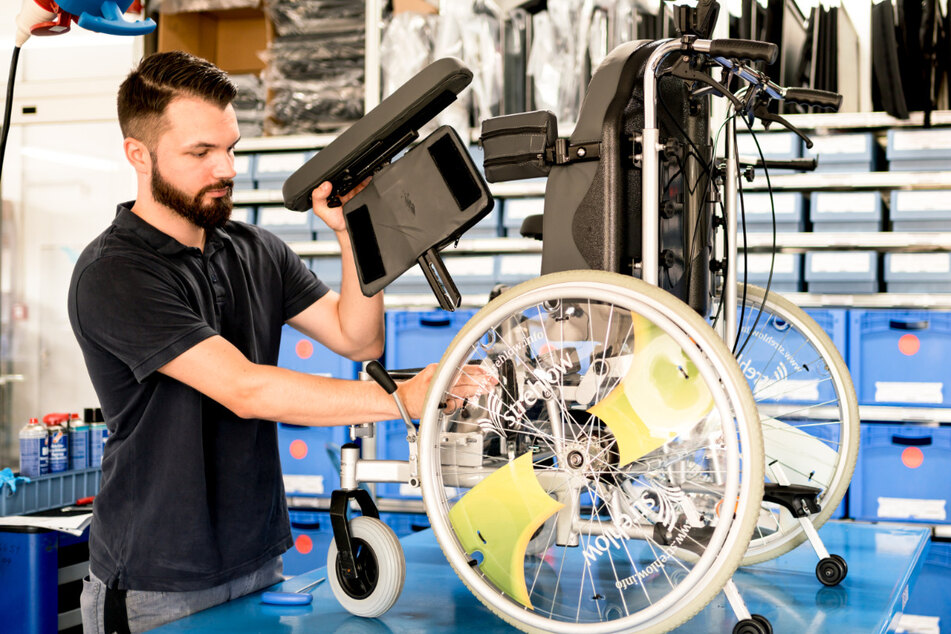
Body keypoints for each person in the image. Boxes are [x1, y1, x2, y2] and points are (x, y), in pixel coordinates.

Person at [68, 51, 492, 633]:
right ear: (138, 155)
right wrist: (401, 399)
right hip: (158, 579)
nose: (226, 169)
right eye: (200, 153)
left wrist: (353, 233)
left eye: (231, 148)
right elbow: (242, 388)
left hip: (259, 557)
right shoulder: (115, 272)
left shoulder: (254, 249)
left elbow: (358, 339)